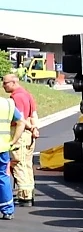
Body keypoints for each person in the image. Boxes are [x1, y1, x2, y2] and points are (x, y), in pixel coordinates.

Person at [3, 74, 39, 207]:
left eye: (5, 83)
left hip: (22, 135)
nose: (3, 85)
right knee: (27, 164)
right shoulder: (27, 94)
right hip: (29, 135)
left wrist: (14, 139)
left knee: (18, 164)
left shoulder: (16, 97)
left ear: (13, 82)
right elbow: (33, 114)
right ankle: (29, 192)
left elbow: (20, 120)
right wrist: (35, 128)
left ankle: (24, 196)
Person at [0, 95, 28, 220]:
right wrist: (13, 141)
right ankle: (7, 210)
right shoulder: (8, 104)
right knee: (3, 177)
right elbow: (21, 122)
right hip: (3, 147)